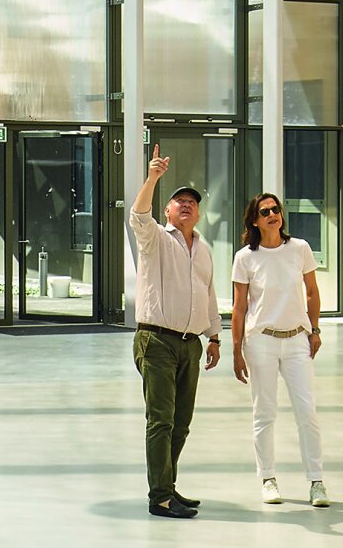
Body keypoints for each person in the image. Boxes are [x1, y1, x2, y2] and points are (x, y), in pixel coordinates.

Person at [127, 149, 220, 519]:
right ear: (167, 211)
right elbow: (137, 215)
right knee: (161, 420)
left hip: (190, 345)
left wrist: (214, 337)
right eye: (179, 201)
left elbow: (209, 293)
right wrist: (152, 178)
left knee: (181, 423)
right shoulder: (155, 240)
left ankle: (168, 485)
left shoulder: (204, 249)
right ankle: (160, 497)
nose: (186, 206)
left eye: (192, 203)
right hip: (157, 341)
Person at [231, 193, 327, 507]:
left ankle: (316, 481)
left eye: (276, 209)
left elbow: (312, 293)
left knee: (307, 413)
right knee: (264, 413)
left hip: (298, 340)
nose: (273, 214)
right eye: (265, 211)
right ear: (255, 220)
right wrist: (236, 350)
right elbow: (239, 307)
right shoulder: (245, 257)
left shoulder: (299, 248)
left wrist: (315, 330)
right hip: (261, 341)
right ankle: (268, 478)